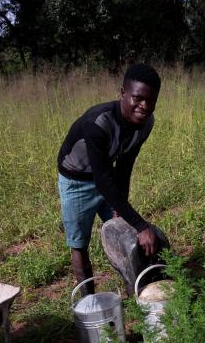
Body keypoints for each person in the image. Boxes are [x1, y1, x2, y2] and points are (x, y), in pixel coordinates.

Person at [58, 63, 161, 295]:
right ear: (123, 93)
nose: (144, 106)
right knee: (79, 245)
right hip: (76, 180)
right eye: (137, 98)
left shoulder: (145, 123)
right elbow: (103, 180)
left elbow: (125, 165)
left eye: (151, 101)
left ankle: (136, 293)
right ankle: (90, 302)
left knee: (126, 236)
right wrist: (142, 225)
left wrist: (120, 204)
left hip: (106, 176)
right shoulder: (98, 123)